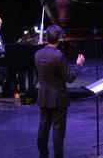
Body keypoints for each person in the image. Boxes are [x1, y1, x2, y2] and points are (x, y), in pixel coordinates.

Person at [35, 25, 85, 158]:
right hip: (58, 99)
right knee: (58, 131)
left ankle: (43, 155)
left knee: (43, 129)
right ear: (57, 39)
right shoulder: (59, 56)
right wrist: (79, 65)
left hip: (43, 97)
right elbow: (69, 77)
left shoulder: (37, 54)